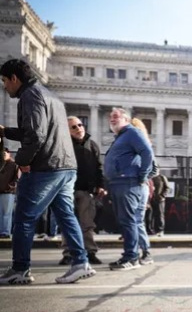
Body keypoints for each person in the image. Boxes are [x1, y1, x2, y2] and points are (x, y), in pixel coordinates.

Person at [0, 58, 97, 284]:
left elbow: (35, 135)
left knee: (23, 218)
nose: (4, 86)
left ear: (15, 78)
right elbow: (40, 130)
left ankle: (20, 269)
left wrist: (22, 161)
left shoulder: (29, 95)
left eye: (5, 81)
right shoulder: (50, 96)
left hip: (46, 167)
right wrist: (6, 132)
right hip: (65, 166)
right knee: (66, 216)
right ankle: (81, 263)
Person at [104, 108, 153, 270]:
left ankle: (132, 257)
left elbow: (147, 152)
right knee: (127, 221)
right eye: (111, 117)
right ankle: (130, 255)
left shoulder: (132, 133)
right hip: (120, 183)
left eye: (116, 116)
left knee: (129, 221)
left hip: (128, 183)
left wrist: (142, 175)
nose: (112, 119)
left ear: (126, 119)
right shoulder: (122, 136)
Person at [59, 116, 104, 266]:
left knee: (87, 224)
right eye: (74, 127)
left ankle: (90, 252)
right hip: (67, 190)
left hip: (86, 191)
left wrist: (100, 185)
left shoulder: (92, 145)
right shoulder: (62, 145)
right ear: (67, 131)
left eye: (80, 124)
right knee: (67, 224)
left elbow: (99, 167)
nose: (79, 128)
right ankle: (68, 254)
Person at [129, 118, 157, 265]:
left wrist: (141, 178)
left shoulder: (140, 145)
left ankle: (141, 252)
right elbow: (155, 169)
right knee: (134, 221)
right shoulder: (143, 144)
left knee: (134, 220)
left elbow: (154, 169)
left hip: (137, 186)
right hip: (137, 186)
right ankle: (138, 253)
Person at [0, 148, 18, 238]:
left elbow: (17, 178)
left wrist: (10, 187)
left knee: (6, 213)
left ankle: (5, 232)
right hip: (2, 191)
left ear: (9, 154)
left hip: (8, 192)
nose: (3, 155)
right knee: (2, 213)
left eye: (5, 153)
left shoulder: (13, 164)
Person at [150, 170, 170, 237]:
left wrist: (162, 196)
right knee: (150, 215)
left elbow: (167, 188)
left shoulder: (162, 177)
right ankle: (151, 230)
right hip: (151, 199)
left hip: (160, 199)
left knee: (160, 215)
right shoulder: (150, 177)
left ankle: (160, 230)